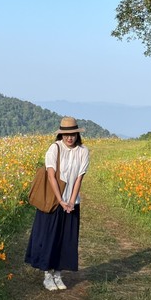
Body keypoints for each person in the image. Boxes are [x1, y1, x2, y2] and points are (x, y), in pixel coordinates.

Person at [25, 116, 90, 290]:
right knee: (49, 237)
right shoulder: (54, 149)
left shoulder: (83, 151)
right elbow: (51, 176)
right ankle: (47, 274)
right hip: (53, 201)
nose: (70, 138)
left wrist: (70, 202)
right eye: (66, 135)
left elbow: (79, 179)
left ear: (77, 134)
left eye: (73, 134)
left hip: (71, 202)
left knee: (65, 239)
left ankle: (58, 274)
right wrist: (61, 200)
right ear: (61, 135)